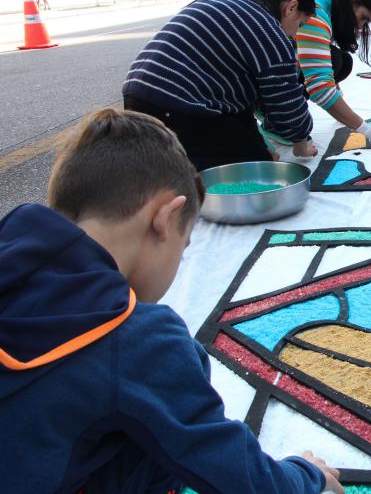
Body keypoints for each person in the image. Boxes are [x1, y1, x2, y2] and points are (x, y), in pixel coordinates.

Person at [0, 109, 345, 494]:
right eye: (184, 246)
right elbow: (244, 478)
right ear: (165, 218)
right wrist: (307, 476)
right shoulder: (138, 339)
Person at [123, 0, 317, 170]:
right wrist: (301, 142)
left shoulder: (230, 2)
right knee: (248, 173)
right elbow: (286, 101)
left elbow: (238, 104)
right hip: (176, 102)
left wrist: (259, 146)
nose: (295, 34)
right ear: (291, 8)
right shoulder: (268, 29)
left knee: (258, 157)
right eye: (300, 24)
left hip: (140, 91)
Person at [291, 0, 371, 143]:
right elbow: (319, 87)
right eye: (363, 18)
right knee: (336, 61)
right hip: (255, 72)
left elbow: (320, 57)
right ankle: (277, 116)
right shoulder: (315, 15)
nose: (359, 26)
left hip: (260, 55)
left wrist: (336, 94)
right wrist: (365, 129)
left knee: (342, 61)